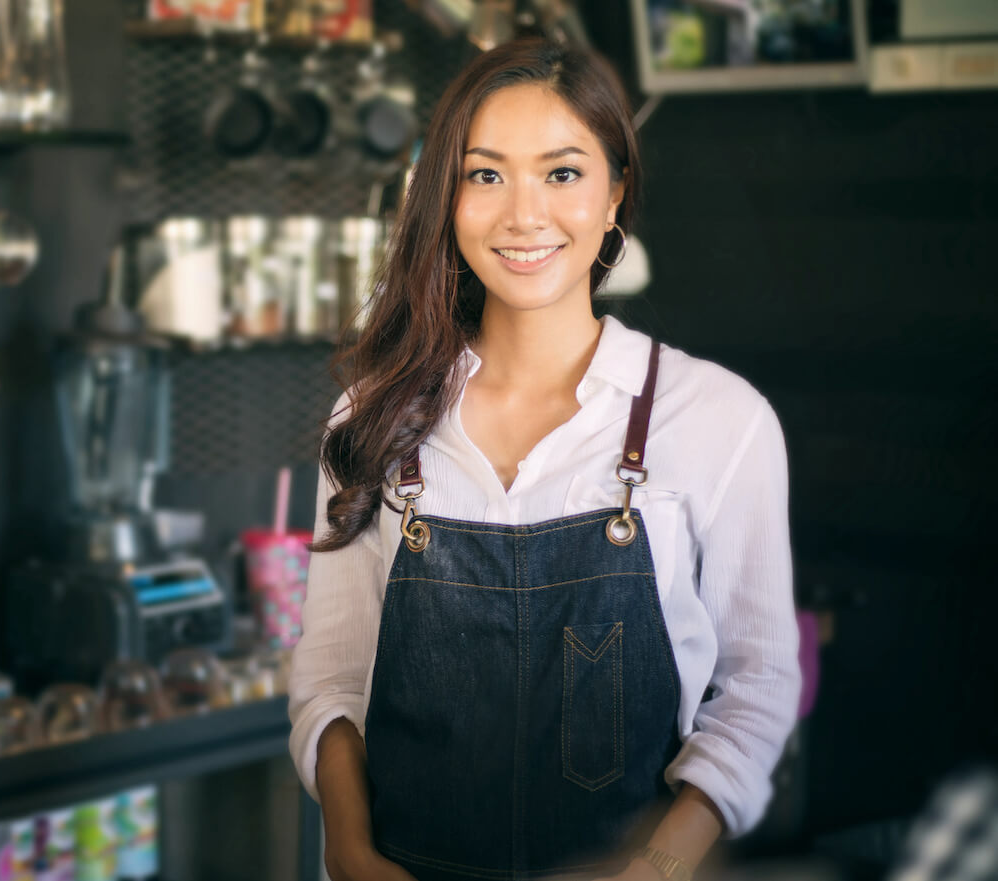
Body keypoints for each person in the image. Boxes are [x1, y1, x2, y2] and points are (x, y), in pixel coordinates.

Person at [288, 37, 801, 881]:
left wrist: (656, 871)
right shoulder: (372, 416)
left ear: (614, 195)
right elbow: (333, 677)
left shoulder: (717, 418)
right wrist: (346, 848)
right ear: (446, 198)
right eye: (485, 175)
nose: (523, 214)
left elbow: (756, 691)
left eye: (562, 173)